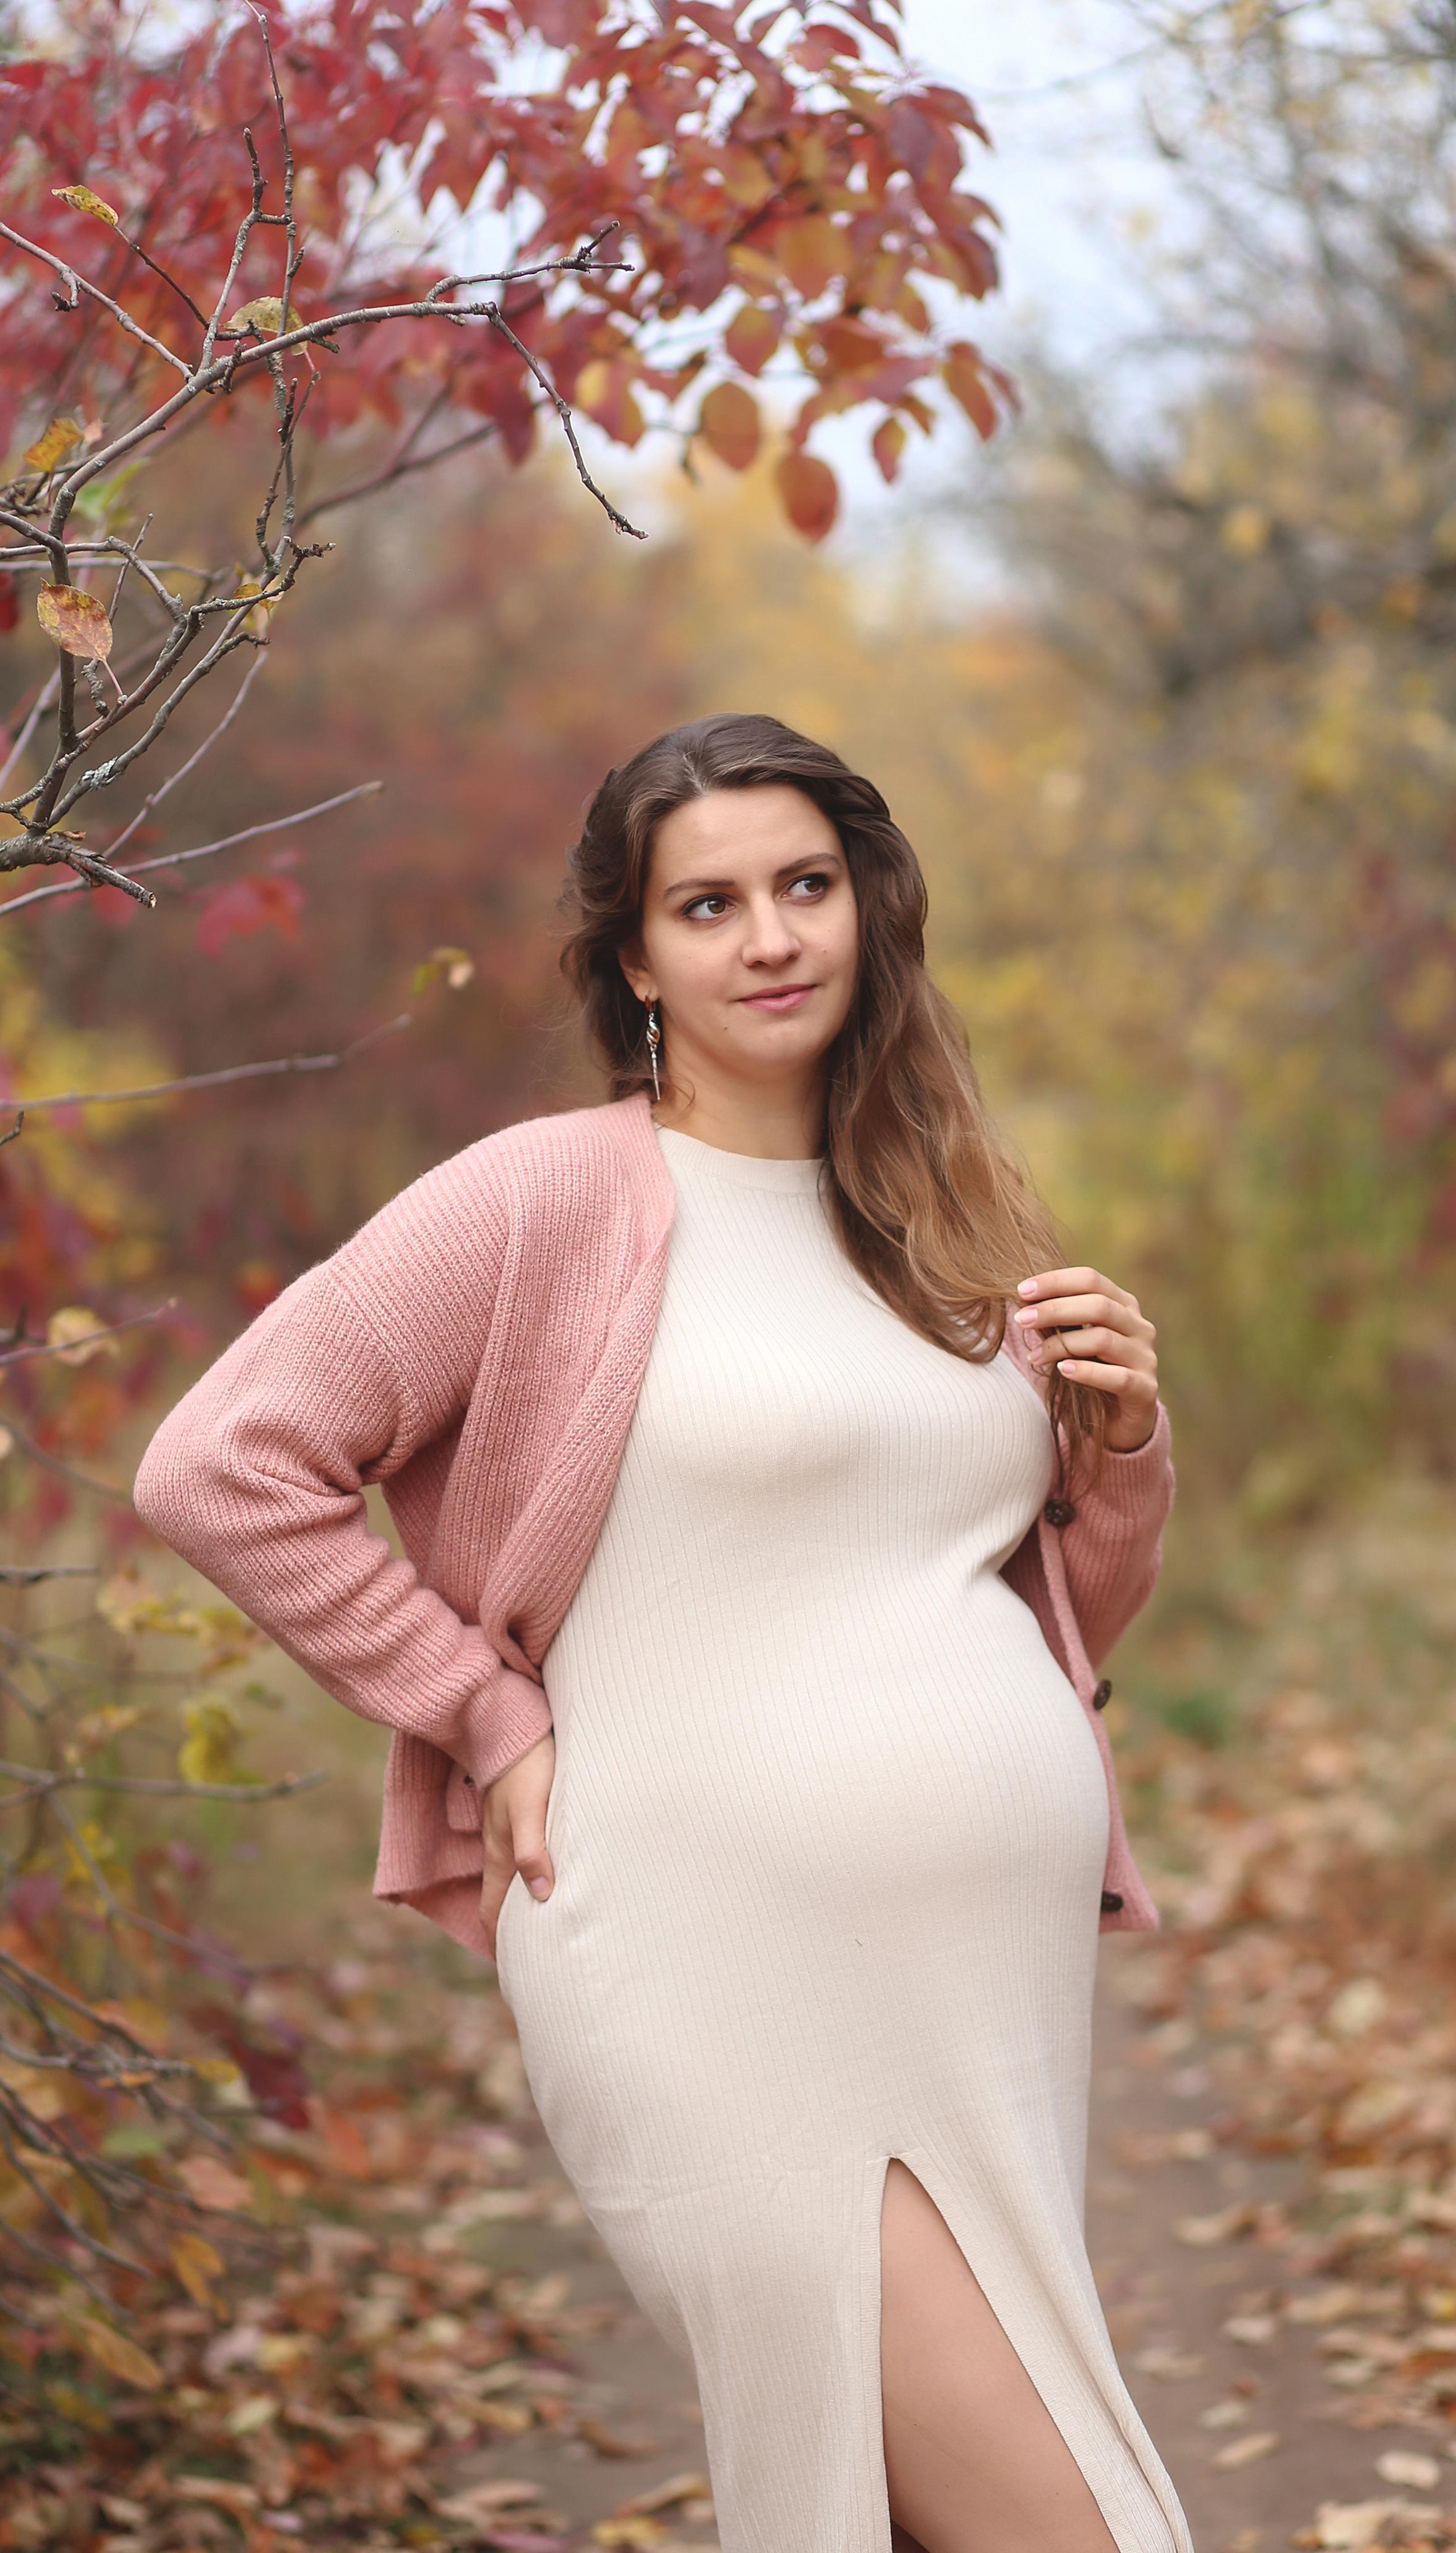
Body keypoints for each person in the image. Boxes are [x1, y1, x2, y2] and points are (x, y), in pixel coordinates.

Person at [134, 713, 1191, 2553]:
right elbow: (220, 1464)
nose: (771, 937)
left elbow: (1040, 1620)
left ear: (869, 904)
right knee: (1067, 2527)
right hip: (702, 1951)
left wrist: (1120, 1447)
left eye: (805, 885)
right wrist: (480, 1710)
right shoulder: (542, 1201)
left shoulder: (938, 1218)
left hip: (985, 1982)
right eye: (709, 905)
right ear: (635, 958)